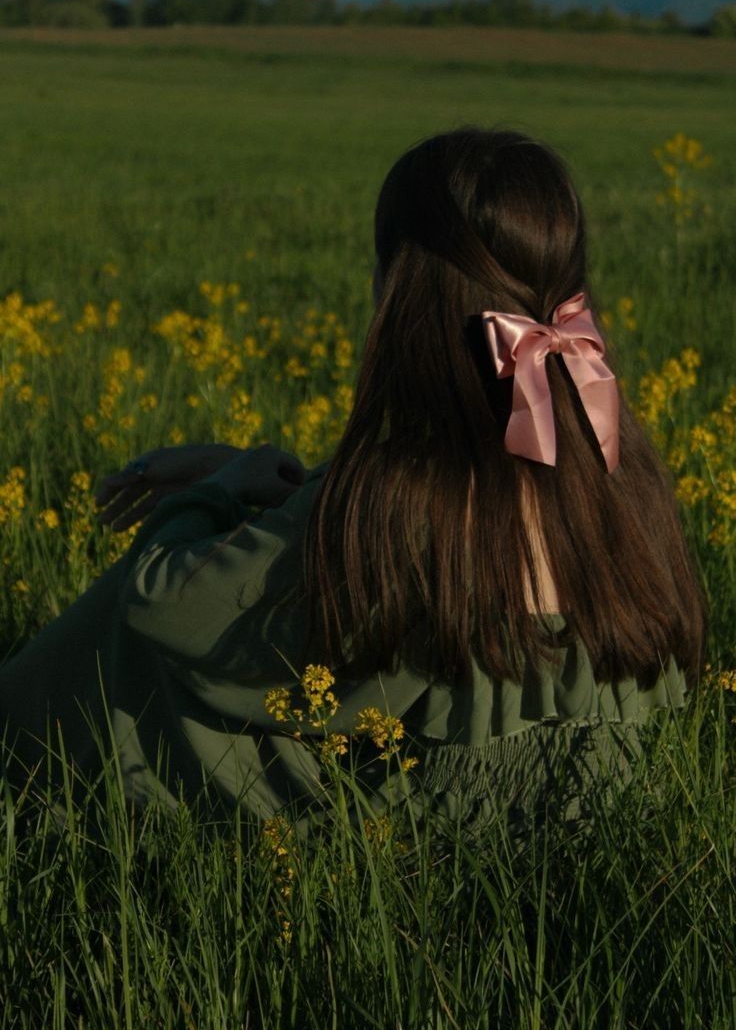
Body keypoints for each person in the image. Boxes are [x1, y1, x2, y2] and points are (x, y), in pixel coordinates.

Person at [0, 128, 704, 830]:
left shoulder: (404, 502)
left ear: (406, 296)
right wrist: (267, 479)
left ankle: (17, 759)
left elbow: (163, 601)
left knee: (136, 652)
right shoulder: (615, 465)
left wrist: (208, 499)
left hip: (427, 824)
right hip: (592, 799)